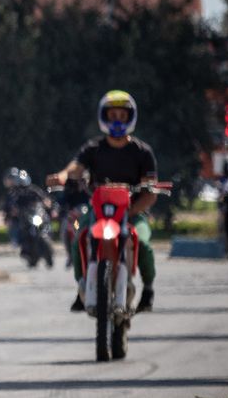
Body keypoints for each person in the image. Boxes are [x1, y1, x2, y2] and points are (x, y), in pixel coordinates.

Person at [47, 90, 161, 312]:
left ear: (131, 118)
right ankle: (82, 288)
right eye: (112, 115)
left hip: (133, 213)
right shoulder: (93, 149)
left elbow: (150, 191)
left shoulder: (143, 152)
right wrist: (62, 175)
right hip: (99, 212)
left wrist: (135, 208)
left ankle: (148, 289)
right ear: (104, 117)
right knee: (80, 235)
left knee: (144, 245)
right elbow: (76, 167)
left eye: (122, 115)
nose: (117, 120)